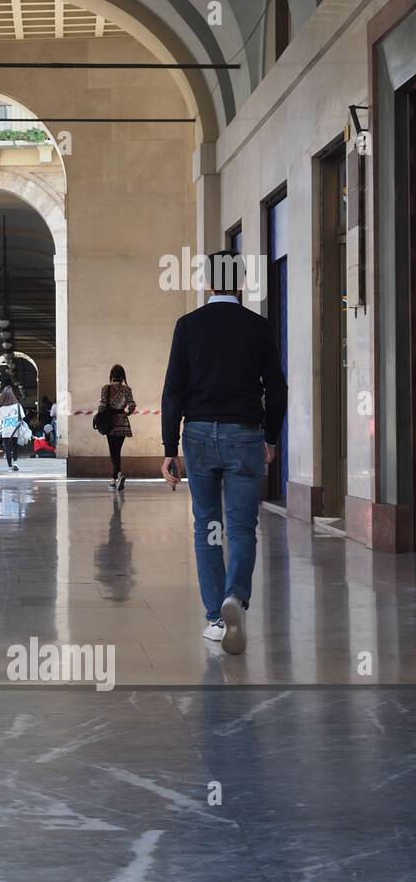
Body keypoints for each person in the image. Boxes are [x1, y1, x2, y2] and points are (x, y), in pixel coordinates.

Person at [161, 250, 287, 656]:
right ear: (241, 281)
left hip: (197, 436)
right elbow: (277, 389)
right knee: (241, 527)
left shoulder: (188, 326)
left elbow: (173, 391)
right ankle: (236, 596)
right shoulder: (259, 328)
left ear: (208, 282)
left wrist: (169, 448)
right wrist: (271, 436)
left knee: (207, 526)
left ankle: (215, 617)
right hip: (244, 436)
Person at [98, 365, 137, 491]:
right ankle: (113, 480)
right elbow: (131, 405)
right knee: (117, 451)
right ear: (123, 376)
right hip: (123, 423)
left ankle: (119, 474)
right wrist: (126, 413)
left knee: (113, 451)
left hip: (110, 423)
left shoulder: (106, 388)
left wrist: (99, 417)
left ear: (111, 375)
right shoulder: (127, 389)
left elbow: (102, 405)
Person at [0, 385, 22, 471]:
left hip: (5, 431)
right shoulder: (17, 406)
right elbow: (22, 417)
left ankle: (9, 466)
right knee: (15, 447)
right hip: (15, 430)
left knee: (7, 449)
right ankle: (15, 463)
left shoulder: (1, 408)